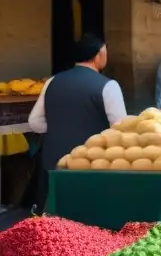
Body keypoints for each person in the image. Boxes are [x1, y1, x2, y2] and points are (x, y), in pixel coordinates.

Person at [28, 34, 127, 205]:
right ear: (99, 55)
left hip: (54, 162)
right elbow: (120, 128)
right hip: (91, 162)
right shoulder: (109, 86)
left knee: (54, 218)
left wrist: (60, 127)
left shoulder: (52, 81)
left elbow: (35, 122)